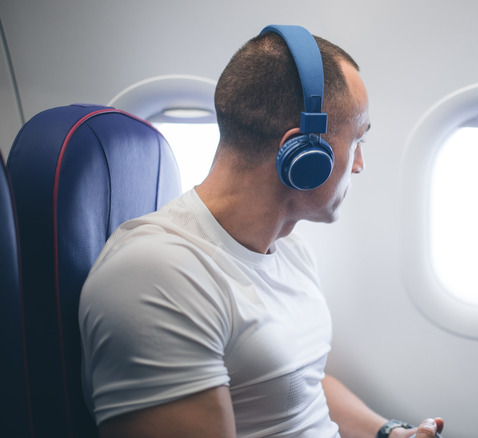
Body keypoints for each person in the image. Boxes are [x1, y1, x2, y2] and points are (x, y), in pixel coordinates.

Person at [78, 25, 444, 438]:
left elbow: (296, 386)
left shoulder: (291, 251)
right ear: (304, 154)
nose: (359, 164)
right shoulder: (156, 278)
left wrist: (389, 432)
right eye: (356, 139)